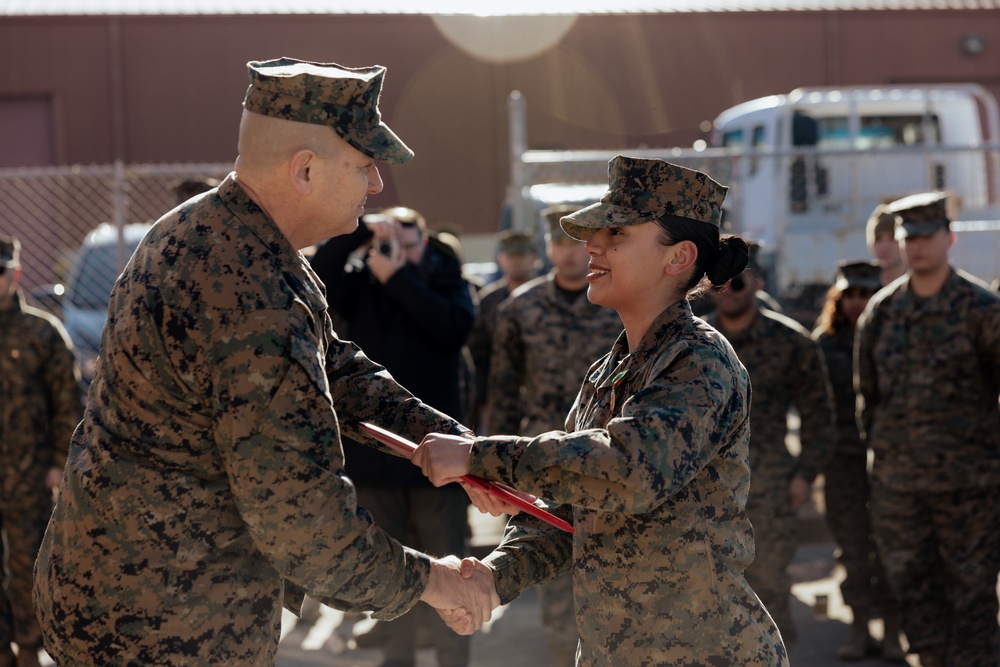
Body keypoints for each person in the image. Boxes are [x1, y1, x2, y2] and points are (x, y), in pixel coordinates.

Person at [32, 57, 498, 667]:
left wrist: (459, 450)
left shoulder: (223, 232)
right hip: (162, 622)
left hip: (127, 588)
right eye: (364, 165)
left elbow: (335, 368)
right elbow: (304, 522)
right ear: (304, 170)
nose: (378, 185)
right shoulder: (248, 293)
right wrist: (438, 583)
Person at [414, 156, 789, 666]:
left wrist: (479, 457)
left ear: (678, 258)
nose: (591, 245)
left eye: (616, 232)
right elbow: (568, 510)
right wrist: (494, 577)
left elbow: (629, 470)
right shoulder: (610, 368)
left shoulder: (699, 361)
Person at [310, 205, 476, 667]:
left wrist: (400, 278)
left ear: (424, 242)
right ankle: (396, 660)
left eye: (407, 242)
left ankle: (451, 660)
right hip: (377, 460)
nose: (396, 251)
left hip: (437, 464)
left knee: (451, 571)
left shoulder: (444, 279)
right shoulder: (363, 284)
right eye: (388, 243)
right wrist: (360, 233)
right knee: (391, 573)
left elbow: (452, 328)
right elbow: (317, 275)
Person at [855, 191, 1000, 667]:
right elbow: (868, 398)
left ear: (949, 238)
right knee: (914, 588)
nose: (915, 246)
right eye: (907, 236)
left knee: (973, 593)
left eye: (925, 236)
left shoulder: (981, 309)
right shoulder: (881, 313)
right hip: (900, 487)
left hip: (969, 487)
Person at [484, 205, 622, 666]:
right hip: (541, 462)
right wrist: (493, 465)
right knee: (553, 571)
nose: (568, 254)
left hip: (606, 459)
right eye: (560, 243)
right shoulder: (520, 307)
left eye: (578, 245)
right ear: (548, 248)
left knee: (613, 570)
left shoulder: (614, 303)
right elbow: (502, 392)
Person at [706, 241, 835, 651]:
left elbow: (818, 415)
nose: (729, 291)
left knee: (770, 593)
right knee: (705, 598)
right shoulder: (694, 343)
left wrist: (805, 474)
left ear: (757, 283)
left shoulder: (791, 342)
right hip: (703, 491)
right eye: (720, 285)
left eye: (738, 282)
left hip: (770, 487)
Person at [811, 260, 905, 662]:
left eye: (864, 293)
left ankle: (893, 633)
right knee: (851, 546)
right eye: (849, 294)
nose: (856, 302)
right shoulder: (822, 344)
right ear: (838, 297)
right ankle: (859, 627)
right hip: (843, 462)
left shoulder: (893, 337)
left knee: (890, 547)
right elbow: (814, 408)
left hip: (888, 460)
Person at [0, 236, 80, 667]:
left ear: (15, 275)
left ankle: (29, 648)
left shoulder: (42, 332)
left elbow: (67, 403)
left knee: (30, 565)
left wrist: (57, 465)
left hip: (28, 475)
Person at [466, 228, 537, 433]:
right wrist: (484, 401)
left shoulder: (550, 296)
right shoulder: (488, 301)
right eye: (511, 256)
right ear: (502, 259)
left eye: (522, 255)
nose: (517, 261)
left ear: (534, 258)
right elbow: (478, 356)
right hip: (503, 399)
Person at [866, 204, 906, 286]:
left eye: (892, 238)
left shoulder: (921, 281)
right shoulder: (863, 288)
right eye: (878, 239)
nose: (885, 246)